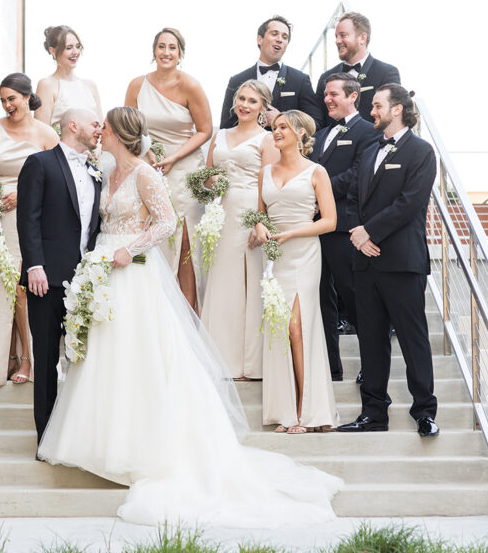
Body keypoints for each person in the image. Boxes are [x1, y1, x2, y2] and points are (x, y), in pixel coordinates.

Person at [37, 107, 342, 527]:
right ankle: (99, 446)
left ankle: (144, 448)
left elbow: (167, 222)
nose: (99, 132)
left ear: (121, 134)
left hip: (132, 271)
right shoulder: (104, 172)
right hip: (102, 270)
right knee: (105, 358)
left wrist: (133, 248)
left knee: (139, 356)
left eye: (104, 126)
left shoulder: (145, 173)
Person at [337, 84, 439, 437]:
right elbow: (351, 199)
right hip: (365, 263)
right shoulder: (369, 153)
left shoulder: (422, 152)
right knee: (371, 339)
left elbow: (409, 204)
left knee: (413, 338)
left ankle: (424, 411)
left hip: (402, 262)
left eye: (378, 105)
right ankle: (373, 412)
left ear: (397, 109)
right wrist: (356, 233)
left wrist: (370, 232)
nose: (372, 111)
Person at [16, 108, 103, 444]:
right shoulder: (40, 163)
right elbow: (28, 218)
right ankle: (46, 437)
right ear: (73, 125)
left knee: (84, 359)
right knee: (48, 359)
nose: (100, 129)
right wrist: (34, 265)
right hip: (46, 280)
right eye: (95, 123)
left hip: (86, 281)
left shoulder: (95, 169)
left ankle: (80, 435)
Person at [253, 110, 341, 434]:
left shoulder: (317, 172)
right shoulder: (265, 171)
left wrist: (293, 233)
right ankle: (286, 409)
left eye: (282, 127)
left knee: (297, 327)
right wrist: (261, 227)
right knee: (280, 329)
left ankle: (306, 409)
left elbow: (329, 221)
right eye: (274, 128)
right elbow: (258, 214)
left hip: (303, 252)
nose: (276, 132)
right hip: (274, 256)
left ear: (301, 133)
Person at [0, 73, 59, 386]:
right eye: (3, 99)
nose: (8, 105)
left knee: (21, 286)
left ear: (27, 97)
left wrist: (25, 194)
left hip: (29, 213)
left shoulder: (47, 135)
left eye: (13, 98)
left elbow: (57, 177)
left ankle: (27, 359)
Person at [125, 27, 212, 311]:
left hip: (184, 168)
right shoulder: (137, 85)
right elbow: (129, 127)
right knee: (151, 235)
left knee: (183, 238)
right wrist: (148, 153)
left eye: (172, 48)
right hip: (149, 166)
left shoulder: (191, 86)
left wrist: (174, 157)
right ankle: (156, 314)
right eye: (161, 47)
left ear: (180, 53)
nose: (166, 52)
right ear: (154, 51)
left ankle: (189, 314)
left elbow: (205, 130)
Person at [200, 80, 276, 380]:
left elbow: (268, 183)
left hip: (249, 212)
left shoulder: (267, 139)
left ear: (262, 108)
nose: (244, 105)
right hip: (221, 213)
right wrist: (210, 183)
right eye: (241, 99)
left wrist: (261, 221)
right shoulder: (219, 135)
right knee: (221, 283)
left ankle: (248, 363)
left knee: (248, 285)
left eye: (252, 101)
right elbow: (207, 176)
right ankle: (220, 359)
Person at [309, 73, 378, 380]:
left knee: (355, 298)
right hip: (315, 229)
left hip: (345, 229)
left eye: (333, 93)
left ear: (352, 96)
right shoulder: (321, 134)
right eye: (325, 94)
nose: (327, 99)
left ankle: (372, 366)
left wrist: (317, 192)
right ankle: (330, 368)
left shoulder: (369, 132)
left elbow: (357, 174)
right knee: (321, 298)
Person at [219, 15, 323, 131]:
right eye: (274, 34)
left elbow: (317, 123)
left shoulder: (300, 80)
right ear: (259, 39)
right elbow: (225, 125)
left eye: (285, 37)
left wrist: (283, 119)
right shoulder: (237, 80)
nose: (279, 39)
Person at [314, 11, 401, 125]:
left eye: (343, 35)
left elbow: (390, 118)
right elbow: (319, 121)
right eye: (336, 36)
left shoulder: (386, 73)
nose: (337, 41)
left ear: (362, 38)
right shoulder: (325, 77)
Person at [34, 25, 103, 128]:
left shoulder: (90, 86)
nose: (75, 52)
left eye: (78, 46)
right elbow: (42, 131)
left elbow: (100, 127)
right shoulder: (46, 85)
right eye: (69, 48)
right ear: (52, 51)